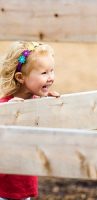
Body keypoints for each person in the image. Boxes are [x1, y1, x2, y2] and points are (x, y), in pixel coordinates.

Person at [0, 41, 60, 199]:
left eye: (52, 71)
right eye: (44, 73)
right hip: (3, 188)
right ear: (20, 77)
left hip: (23, 185)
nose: (51, 78)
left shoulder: (37, 104)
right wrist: (6, 114)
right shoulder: (5, 106)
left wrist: (52, 107)